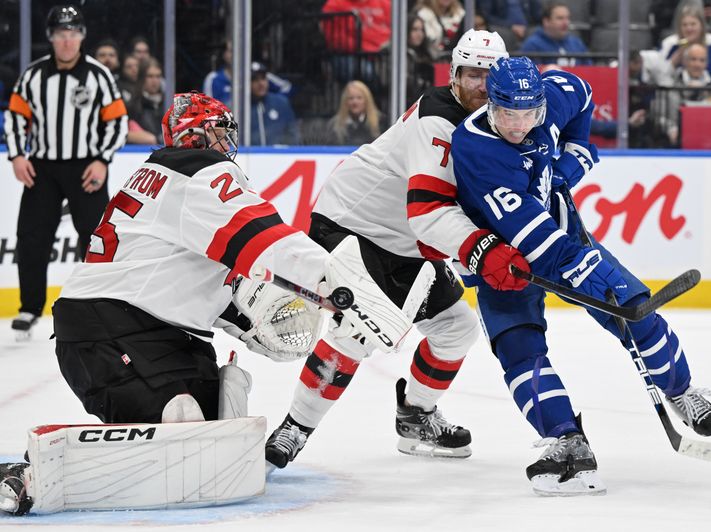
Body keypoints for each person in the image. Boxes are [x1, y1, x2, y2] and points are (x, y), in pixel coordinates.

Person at [0, 91, 415, 516]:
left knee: (223, 437)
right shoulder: (197, 170)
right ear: (194, 135)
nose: (226, 143)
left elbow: (194, 274)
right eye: (219, 131)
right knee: (184, 428)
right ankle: (32, 475)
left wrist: (253, 323)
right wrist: (336, 286)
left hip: (152, 332)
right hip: (108, 329)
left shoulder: (165, 179)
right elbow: (263, 235)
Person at [450, 56, 711, 496]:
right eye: (509, 114)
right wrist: (579, 264)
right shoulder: (475, 147)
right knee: (520, 350)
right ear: (490, 105)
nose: (520, 125)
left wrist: (577, 151)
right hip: (505, 259)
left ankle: (679, 389)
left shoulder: (549, 100)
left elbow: (582, 92)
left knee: (636, 310)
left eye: (529, 114)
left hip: (564, 232)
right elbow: (530, 233)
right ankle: (564, 436)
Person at [263, 29, 529, 471]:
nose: (480, 85)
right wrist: (478, 251)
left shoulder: (499, 123)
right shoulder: (439, 120)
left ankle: (416, 416)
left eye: (489, 76)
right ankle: (296, 426)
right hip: (352, 224)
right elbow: (428, 214)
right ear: (454, 75)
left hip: (405, 240)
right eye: (471, 74)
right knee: (359, 332)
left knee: (457, 329)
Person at [2, 4, 128, 341]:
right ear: (51, 37)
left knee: (97, 239)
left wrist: (102, 159)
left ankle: (102, 305)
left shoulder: (98, 75)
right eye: (61, 33)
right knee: (31, 238)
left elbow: (117, 122)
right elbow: (15, 116)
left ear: (82, 36)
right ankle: (30, 307)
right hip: (42, 168)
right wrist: (16, 155)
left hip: (86, 166)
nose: (67, 40)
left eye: (73, 33)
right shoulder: (34, 75)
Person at [660, 3, 711, 84]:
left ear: (702, 25)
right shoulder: (670, 43)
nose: (689, 28)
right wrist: (681, 50)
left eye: (693, 24)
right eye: (684, 25)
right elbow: (660, 76)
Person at [520, 1, 590, 66]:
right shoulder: (532, 45)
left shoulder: (576, 43)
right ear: (546, 21)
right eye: (560, 18)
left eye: (567, 18)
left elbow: (589, 69)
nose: (566, 23)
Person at [250, 62, 300, 145]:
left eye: (263, 78)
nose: (261, 83)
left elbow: (293, 135)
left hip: (278, 156)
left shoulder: (281, 103)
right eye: (255, 80)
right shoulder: (238, 106)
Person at [326, 80, 384, 145]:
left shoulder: (380, 122)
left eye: (359, 98)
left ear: (366, 100)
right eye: (351, 98)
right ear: (345, 102)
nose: (355, 102)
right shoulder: (334, 125)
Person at [127, 57, 165, 142]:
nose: (154, 81)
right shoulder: (133, 106)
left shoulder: (168, 103)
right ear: (142, 78)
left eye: (158, 76)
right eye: (150, 76)